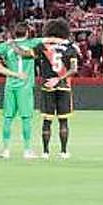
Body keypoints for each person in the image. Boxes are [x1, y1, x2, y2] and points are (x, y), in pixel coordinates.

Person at [0, 23, 55, 158]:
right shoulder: (32, 43)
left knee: (8, 118)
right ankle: (26, 150)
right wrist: (64, 40)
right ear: (27, 33)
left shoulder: (6, 46)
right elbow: (49, 39)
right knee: (26, 118)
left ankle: (6, 150)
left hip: (10, 85)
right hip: (25, 86)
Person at [37, 18, 78, 159]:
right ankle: (64, 151)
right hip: (63, 86)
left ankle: (45, 152)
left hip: (47, 85)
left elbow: (27, 55)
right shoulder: (70, 48)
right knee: (63, 121)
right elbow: (74, 69)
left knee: (47, 121)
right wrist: (59, 79)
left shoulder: (43, 46)